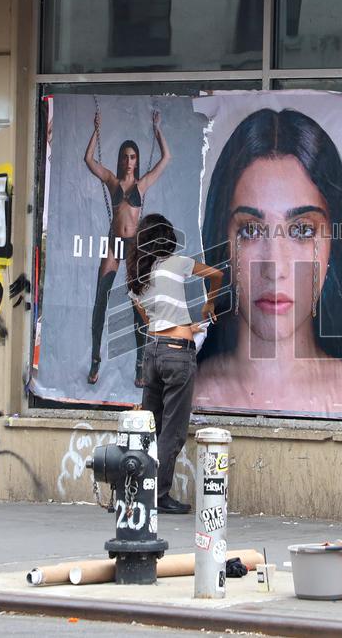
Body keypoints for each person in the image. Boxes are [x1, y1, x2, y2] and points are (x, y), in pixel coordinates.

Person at [194, 108, 342, 416]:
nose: (275, 267)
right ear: (221, 238)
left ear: (333, 244)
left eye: (301, 230)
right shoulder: (190, 391)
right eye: (251, 230)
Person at [127, 214, 222, 514]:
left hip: (152, 353)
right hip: (177, 354)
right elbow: (216, 275)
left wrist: (185, 324)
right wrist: (209, 303)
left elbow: (151, 322)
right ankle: (159, 494)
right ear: (167, 239)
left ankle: (138, 491)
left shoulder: (137, 278)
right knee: (173, 429)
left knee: (149, 428)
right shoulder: (179, 263)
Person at [84, 108, 171, 385]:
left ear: (137, 159)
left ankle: (138, 366)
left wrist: (157, 130)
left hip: (133, 244)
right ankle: (95, 362)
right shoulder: (111, 181)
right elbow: (88, 160)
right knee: (101, 300)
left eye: (133, 157)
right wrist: (96, 130)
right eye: (125, 156)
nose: (129, 161)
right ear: (121, 159)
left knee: (137, 305)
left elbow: (166, 158)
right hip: (113, 243)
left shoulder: (141, 184)